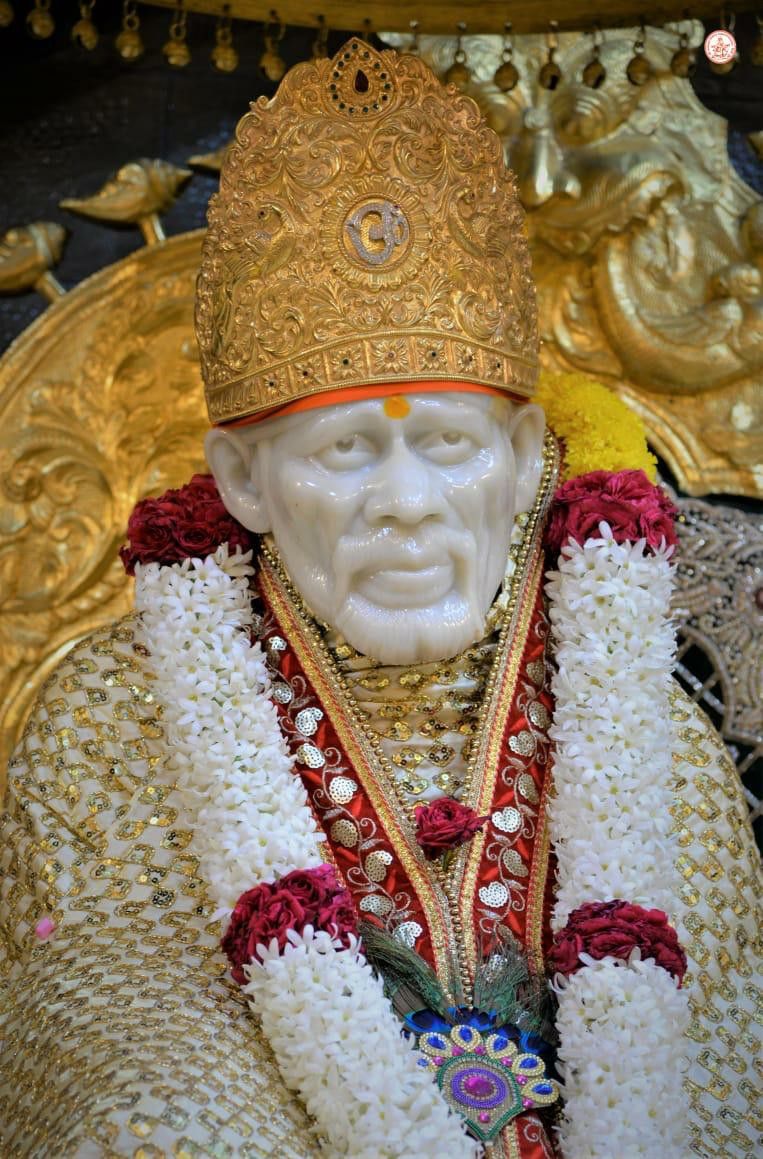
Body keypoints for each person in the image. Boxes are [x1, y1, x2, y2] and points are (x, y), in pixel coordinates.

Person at [0, 39, 758, 1159]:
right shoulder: (112, 726)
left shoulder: (642, 723)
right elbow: (114, 1043)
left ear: (518, 459)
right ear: (244, 478)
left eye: (449, 447)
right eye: (347, 450)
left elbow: (730, 1058)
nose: (406, 503)